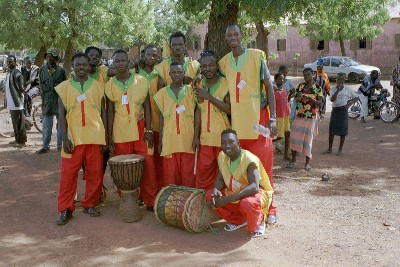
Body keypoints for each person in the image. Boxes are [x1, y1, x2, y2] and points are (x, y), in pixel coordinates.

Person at [197, 24, 278, 224]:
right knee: (241, 172)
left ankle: (271, 209)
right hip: (237, 127)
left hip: (257, 120)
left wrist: (273, 117)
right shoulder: (223, 62)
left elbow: (268, 86)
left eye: (235, 34)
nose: (232, 37)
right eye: (229, 34)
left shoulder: (257, 56)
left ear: (242, 35)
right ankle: (247, 211)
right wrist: (199, 76)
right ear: (225, 38)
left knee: (265, 167)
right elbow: (212, 75)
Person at [55, 53, 106, 225]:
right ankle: (65, 209)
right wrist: (64, 138)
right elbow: (61, 114)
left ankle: (90, 203)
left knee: (95, 172)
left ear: (89, 66)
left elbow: (104, 112)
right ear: (73, 66)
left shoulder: (99, 86)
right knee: (68, 175)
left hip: (94, 136)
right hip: (73, 138)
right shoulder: (64, 87)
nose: (82, 68)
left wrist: (105, 136)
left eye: (85, 65)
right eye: (78, 65)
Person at [105, 49, 157, 209]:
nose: (120, 63)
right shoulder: (109, 85)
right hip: (120, 130)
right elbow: (109, 112)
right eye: (117, 61)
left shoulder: (141, 80)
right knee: (124, 168)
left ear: (129, 62)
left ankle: (150, 200)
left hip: (140, 128)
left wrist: (148, 130)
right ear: (113, 64)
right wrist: (109, 137)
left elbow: (147, 106)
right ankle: (128, 199)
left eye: (123, 60)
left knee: (148, 163)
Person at [208, 129, 273, 237]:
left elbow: (254, 187)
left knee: (247, 203)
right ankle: (239, 220)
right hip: (236, 192)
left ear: (238, 143)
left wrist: (227, 199)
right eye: (223, 143)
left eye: (231, 142)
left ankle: (260, 219)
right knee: (210, 197)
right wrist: (216, 189)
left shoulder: (248, 159)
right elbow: (220, 177)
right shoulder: (222, 156)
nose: (227, 146)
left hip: (256, 194)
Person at [154, 62, 196, 187]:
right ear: (169, 74)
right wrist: (161, 141)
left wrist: (196, 137)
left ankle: (188, 204)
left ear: (184, 73)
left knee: (188, 176)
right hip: (169, 141)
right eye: (174, 72)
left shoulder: (191, 91)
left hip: (187, 140)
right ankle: (171, 205)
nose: (177, 74)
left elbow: (198, 113)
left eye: (179, 72)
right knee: (170, 177)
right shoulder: (162, 93)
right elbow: (161, 117)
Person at [193, 50, 231, 190]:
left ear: (217, 66)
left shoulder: (224, 83)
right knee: (204, 173)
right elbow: (198, 111)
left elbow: (229, 109)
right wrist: (196, 136)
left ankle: (221, 205)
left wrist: (210, 98)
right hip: (205, 138)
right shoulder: (199, 84)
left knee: (223, 172)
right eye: (204, 66)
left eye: (211, 65)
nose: (207, 69)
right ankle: (204, 202)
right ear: (200, 68)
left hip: (222, 138)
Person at [137, 44, 164, 191]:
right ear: (143, 56)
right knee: (145, 161)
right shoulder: (135, 73)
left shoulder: (160, 75)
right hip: (141, 126)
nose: (152, 57)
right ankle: (144, 192)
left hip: (157, 123)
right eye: (149, 54)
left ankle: (158, 191)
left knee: (158, 160)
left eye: (155, 55)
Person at [288, 68, 322, 171]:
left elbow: (319, 103)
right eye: (305, 75)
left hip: (311, 117)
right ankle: (293, 160)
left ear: (313, 75)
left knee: (308, 140)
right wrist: (299, 97)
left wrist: (310, 98)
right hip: (300, 115)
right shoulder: (300, 86)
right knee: (294, 137)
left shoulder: (317, 88)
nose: (306, 77)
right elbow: (296, 98)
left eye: (308, 75)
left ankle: (307, 163)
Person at [36, 48, 67, 153]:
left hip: (59, 101)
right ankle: (45, 146)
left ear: (55, 58)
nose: (49, 59)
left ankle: (59, 145)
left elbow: (65, 86)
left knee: (61, 123)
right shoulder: (42, 70)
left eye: (51, 57)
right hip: (47, 102)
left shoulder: (61, 71)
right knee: (46, 125)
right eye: (48, 57)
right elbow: (40, 85)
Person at [325, 73, 359, 156]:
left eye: (342, 80)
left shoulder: (347, 89)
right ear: (336, 80)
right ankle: (330, 148)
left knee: (343, 131)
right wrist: (337, 91)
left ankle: (340, 149)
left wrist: (348, 105)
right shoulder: (333, 89)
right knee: (331, 130)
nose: (340, 81)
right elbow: (332, 100)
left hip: (343, 110)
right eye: (338, 79)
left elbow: (357, 97)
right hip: (335, 110)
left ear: (344, 80)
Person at [4, 55, 27, 147]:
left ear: (15, 62)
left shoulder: (16, 73)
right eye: (8, 61)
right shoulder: (9, 72)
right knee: (15, 123)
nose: (9, 63)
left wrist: (19, 95)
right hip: (11, 102)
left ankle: (21, 142)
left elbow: (22, 87)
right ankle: (17, 139)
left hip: (16, 102)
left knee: (19, 123)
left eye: (11, 61)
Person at [273, 73, 291, 160]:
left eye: (283, 79)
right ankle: (267, 142)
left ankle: (286, 154)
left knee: (288, 134)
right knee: (280, 136)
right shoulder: (273, 91)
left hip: (286, 115)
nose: (282, 81)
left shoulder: (284, 89)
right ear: (276, 80)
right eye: (280, 79)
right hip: (279, 116)